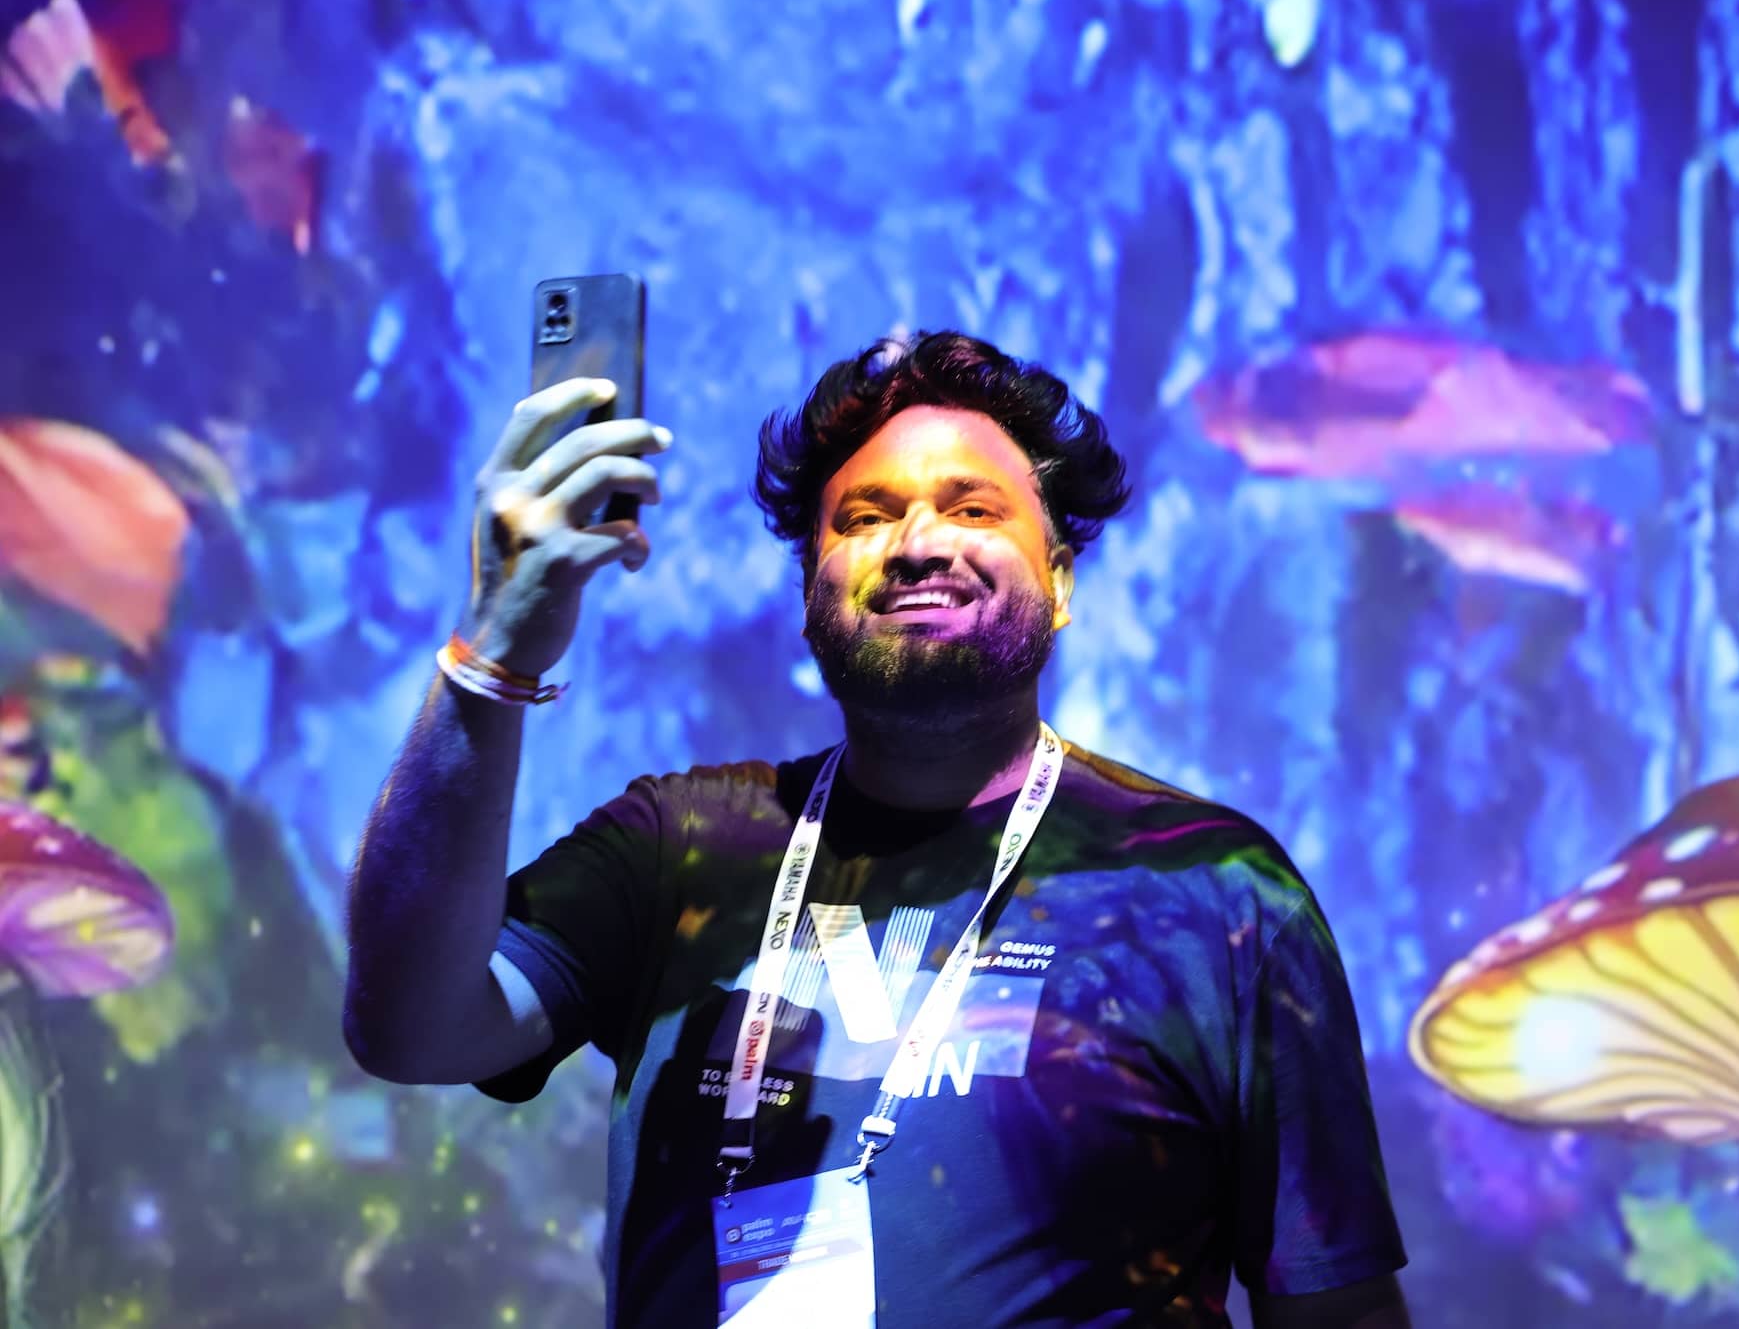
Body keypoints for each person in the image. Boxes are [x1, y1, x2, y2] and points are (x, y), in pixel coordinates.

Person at [344, 331, 1410, 1328]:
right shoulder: (678, 846)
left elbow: (1336, 1310)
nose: (915, 543)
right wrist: (496, 650)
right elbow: (409, 1029)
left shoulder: (1211, 888)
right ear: (809, 592)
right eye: (862, 516)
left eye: (972, 509)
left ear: (1061, 581)